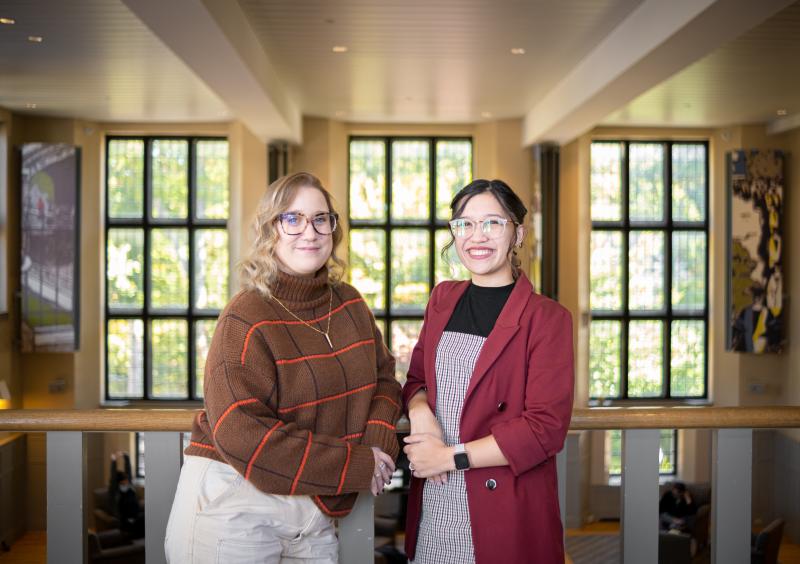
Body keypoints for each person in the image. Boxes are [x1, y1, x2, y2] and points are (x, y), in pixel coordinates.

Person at [165, 172, 402, 563]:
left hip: (314, 504)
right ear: (269, 230)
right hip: (235, 499)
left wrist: (377, 444)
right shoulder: (245, 315)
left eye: (320, 218)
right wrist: (356, 464)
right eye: (292, 219)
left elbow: (384, 381)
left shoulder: (349, 304)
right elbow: (241, 432)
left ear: (333, 229)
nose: (309, 231)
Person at [402, 179, 574, 564]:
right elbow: (416, 380)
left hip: (504, 504)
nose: (476, 236)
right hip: (436, 496)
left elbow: (545, 428)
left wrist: (450, 457)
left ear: (518, 233)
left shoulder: (547, 318)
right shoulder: (443, 299)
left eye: (493, 223)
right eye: (464, 224)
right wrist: (421, 414)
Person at [108, 451, 144, 539]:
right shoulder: (116, 491)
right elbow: (113, 477)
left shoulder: (129, 486)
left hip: (135, 516)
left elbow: (128, 470)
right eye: (125, 480)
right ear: (119, 482)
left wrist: (126, 457)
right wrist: (114, 460)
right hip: (125, 520)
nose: (127, 480)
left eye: (127, 479)